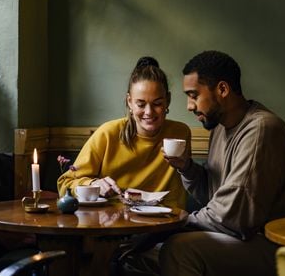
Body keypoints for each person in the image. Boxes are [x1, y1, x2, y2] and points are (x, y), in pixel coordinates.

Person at [159, 50, 285, 276]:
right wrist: (186, 167)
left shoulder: (262, 129)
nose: (189, 105)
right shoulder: (218, 127)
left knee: (179, 250)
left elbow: (232, 216)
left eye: (194, 95)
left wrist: (172, 225)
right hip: (236, 237)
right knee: (142, 256)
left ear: (222, 90)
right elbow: (214, 195)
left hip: (272, 245)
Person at [57, 56, 190, 209]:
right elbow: (64, 184)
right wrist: (93, 183)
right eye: (141, 104)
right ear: (129, 102)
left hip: (164, 224)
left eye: (157, 104)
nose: (149, 112)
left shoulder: (180, 133)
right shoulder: (108, 134)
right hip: (112, 226)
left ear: (168, 100)